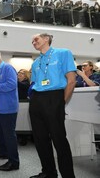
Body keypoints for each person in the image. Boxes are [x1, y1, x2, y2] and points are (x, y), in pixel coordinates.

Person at [29, 33, 76, 178]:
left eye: (36, 39)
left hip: (54, 97)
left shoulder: (63, 53)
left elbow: (72, 80)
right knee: (40, 139)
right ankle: (48, 172)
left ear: (46, 39)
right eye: (32, 41)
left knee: (59, 139)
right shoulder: (35, 63)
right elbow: (35, 84)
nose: (33, 42)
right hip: (37, 99)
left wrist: (61, 102)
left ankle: (68, 175)